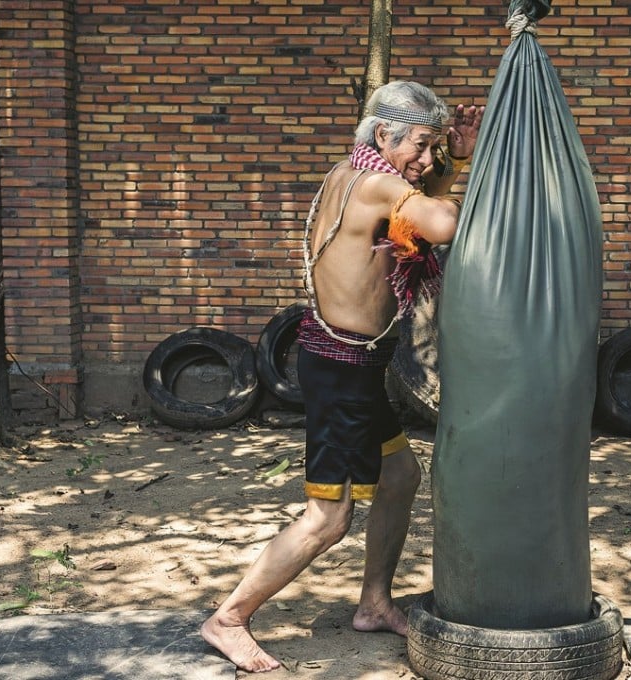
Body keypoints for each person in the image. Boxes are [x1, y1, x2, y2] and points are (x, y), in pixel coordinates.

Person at [200, 80, 484, 673]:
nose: (427, 161)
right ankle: (228, 618)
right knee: (328, 518)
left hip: (351, 363)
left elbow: (416, 202)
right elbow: (445, 223)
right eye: (422, 145)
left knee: (401, 474)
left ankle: (374, 604)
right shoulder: (381, 184)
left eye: (434, 149)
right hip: (339, 370)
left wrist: (452, 158)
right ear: (384, 135)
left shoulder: (349, 172)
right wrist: (477, 169)